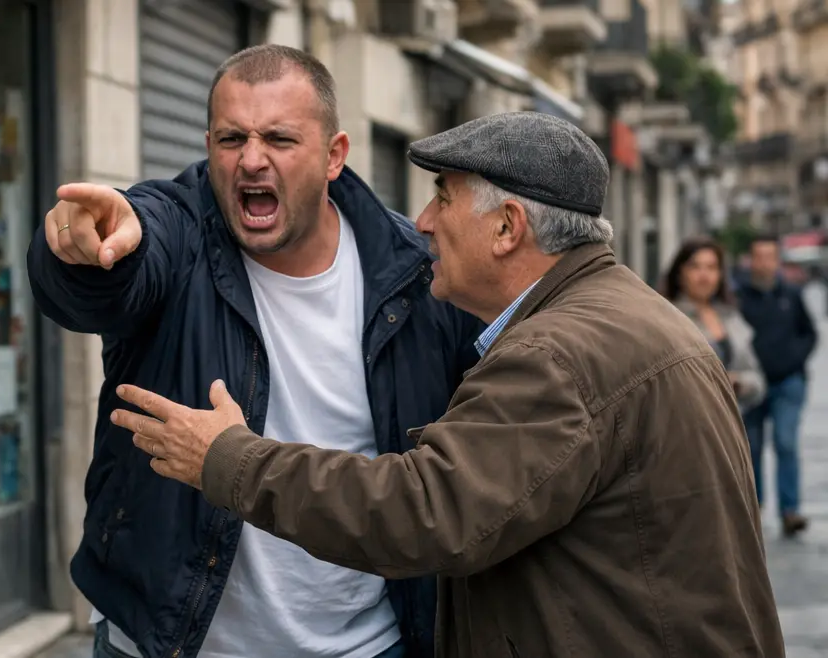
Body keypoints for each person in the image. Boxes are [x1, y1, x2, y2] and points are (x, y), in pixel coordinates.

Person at [110, 112, 785, 657]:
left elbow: (424, 513)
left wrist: (228, 458)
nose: (425, 222)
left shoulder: (557, 356)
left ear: (507, 227)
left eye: (442, 197)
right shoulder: (627, 314)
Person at [28, 44, 482, 658]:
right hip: (162, 642)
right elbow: (117, 269)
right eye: (231, 138)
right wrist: (83, 253)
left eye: (279, 138)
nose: (251, 160)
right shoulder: (179, 233)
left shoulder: (417, 273)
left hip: (363, 644)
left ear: (334, 155)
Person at [736, 234, 818, 537]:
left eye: (769, 257)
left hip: (788, 382)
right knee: (751, 447)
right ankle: (753, 509)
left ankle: (790, 510)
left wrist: (794, 358)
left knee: (785, 442)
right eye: (758, 257)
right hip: (752, 386)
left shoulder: (791, 294)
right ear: (750, 260)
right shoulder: (739, 297)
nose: (764, 263)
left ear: (777, 260)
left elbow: (809, 333)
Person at [660, 237, 766, 411]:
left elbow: (756, 377)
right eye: (695, 267)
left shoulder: (731, 317)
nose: (704, 275)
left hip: (733, 419)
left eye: (711, 267)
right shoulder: (667, 317)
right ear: (679, 273)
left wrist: (738, 384)